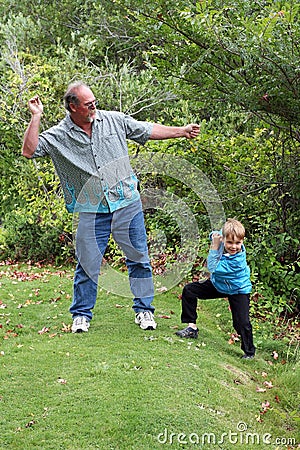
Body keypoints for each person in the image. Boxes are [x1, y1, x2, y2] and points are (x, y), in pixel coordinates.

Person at [22, 81, 200, 333]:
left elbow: (146, 130)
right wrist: (36, 116)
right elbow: (29, 151)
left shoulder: (113, 120)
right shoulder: (59, 135)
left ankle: (144, 311)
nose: (94, 106)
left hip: (126, 201)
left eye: (94, 101)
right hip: (91, 208)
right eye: (88, 104)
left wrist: (181, 131)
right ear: (73, 107)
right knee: (87, 264)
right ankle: (81, 315)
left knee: (139, 258)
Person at [176, 218, 256, 359]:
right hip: (218, 284)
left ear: (242, 241)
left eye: (238, 243)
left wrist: (214, 246)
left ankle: (249, 352)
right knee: (189, 290)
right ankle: (191, 328)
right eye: (230, 242)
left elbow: (212, 267)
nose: (234, 246)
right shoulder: (222, 237)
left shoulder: (238, 261)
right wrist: (214, 236)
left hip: (238, 290)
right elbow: (215, 233)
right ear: (224, 238)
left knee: (241, 323)